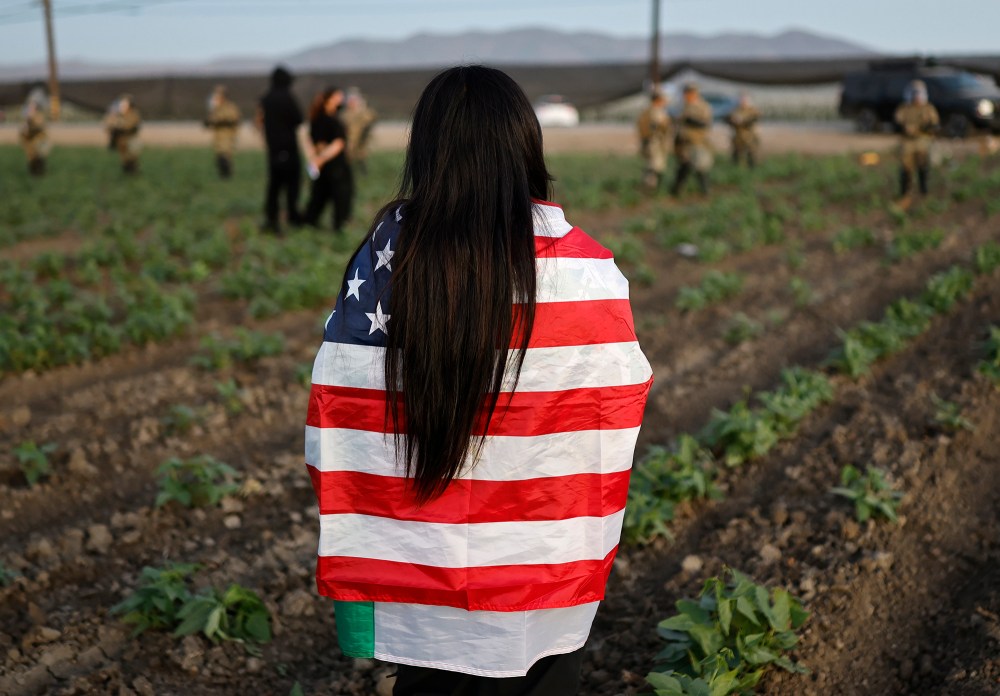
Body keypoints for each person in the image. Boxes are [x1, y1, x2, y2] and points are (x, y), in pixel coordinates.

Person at [305, 65, 652, 695]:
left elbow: (336, 411)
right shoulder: (588, 271)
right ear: (525, 145)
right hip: (542, 574)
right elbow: (613, 412)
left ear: (426, 150)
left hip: (421, 583)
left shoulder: (389, 262)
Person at [257, 65, 304, 233]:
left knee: (274, 187)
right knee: (292, 186)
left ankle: (272, 219)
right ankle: (293, 217)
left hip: (273, 150)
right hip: (289, 149)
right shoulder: (287, 98)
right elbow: (299, 119)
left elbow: (259, 121)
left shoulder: (266, 98)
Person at [303, 86, 353, 233]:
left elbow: (317, 143)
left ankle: (309, 222)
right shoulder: (328, 119)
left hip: (325, 165)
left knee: (319, 195)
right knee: (341, 195)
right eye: (338, 96)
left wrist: (318, 159)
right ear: (329, 99)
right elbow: (338, 143)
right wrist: (321, 159)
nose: (341, 99)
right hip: (335, 165)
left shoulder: (319, 118)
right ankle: (339, 226)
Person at [894, 79, 940, 209]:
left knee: (923, 167)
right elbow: (897, 123)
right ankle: (905, 194)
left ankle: (923, 192)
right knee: (905, 169)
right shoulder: (904, 108)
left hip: (923, 141)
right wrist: (906, 128)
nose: (917, 96)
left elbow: (934, 125)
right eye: (914, 93)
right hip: (908, 143)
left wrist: (921, 129)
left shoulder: (928, 108)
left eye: (919, 93)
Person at [670, 83, 713, 197]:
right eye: (684, 93)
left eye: (688, 93)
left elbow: (705, 123)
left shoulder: (702, 106)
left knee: (700, 167)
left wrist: (691, 121)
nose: (685, 96)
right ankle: (676, 190)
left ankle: (705, 191)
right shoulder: (684, 106)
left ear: (694, 93)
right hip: (684, 143)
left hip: (697, 142)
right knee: (684, 166)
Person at [636, 91, 672, 190]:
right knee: (655, 166)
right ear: (658, 100)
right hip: (654, 143)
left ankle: (653, 187)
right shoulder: (654, 112)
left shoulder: (649, 111)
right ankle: (650, 188)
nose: (665, 102)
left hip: (653, 143)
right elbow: (658, 127)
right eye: (663, 100)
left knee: (655, 165)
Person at [205, 85, 242, 179]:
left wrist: (219, 121)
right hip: (218, 139)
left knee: (225, 158)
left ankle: (227, 177)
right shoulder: (215, 109)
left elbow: (234, 119)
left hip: (227, 137)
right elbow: (208, 122)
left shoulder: (230, 107)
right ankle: (224, 178)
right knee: (219, 160)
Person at [342, 87, 378, 175]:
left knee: (361, 158)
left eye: (354, 101)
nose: (352, 103)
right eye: (350, 101)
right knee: (348, 158)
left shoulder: (362, 112)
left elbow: (372, 117)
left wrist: (363, 108)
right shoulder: (345, 114)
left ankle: (364, 174)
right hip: (350, 140)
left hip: (361, 140)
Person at [105, 94, 142, 174]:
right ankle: (127, 171)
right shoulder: (115, 114)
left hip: (131, 138)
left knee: (132, 157)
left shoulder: (133, 113)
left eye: (125, 103)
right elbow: (108, 125)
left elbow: (130, 125)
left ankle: (133, 170)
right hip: (121, 139)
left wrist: (119, 124)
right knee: (124, 158)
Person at [726, 92, 761, 168]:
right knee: (736, 156)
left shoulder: (753, 110)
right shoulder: (735, 110)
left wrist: (742, 120)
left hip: (750, 137)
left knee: (752, 155)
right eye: (742, 100)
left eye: (745, 100)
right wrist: (732, 120)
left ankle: (752, 170)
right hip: (738, 138)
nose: (743, 102)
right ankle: (736, 170)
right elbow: (728, 119)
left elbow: (755, 118)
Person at [19, 96, 48, 176]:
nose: (30, 109)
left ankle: (40, 174)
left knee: (39, 160)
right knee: (32, 161)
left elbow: (40, 128)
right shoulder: (27, 119)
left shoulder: (39, 117)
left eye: (32, 107)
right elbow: (23, 133)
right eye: (30, 107)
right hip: (30, 145)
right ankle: (33, 174)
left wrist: (30, 126)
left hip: (38, 143)